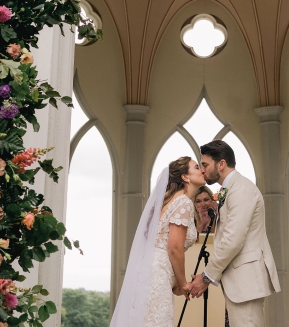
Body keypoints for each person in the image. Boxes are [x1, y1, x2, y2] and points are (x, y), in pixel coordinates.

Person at [188, 140, 280, 327]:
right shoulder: (231, 189)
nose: (203, 170)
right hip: (240, 282)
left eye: (205, 164)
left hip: (246, 283)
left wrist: (206, 277)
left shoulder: (241, 189)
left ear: (221, 164)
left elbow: (232, 240)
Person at [109, 156, 206, 327]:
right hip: (158, 276)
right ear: (185, 177)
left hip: (149, 271)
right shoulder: (183, 202)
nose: (202, 170)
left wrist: (175, 281)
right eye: (197, 167)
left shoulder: (168, 201)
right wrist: (183, 283)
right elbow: (174, 247)